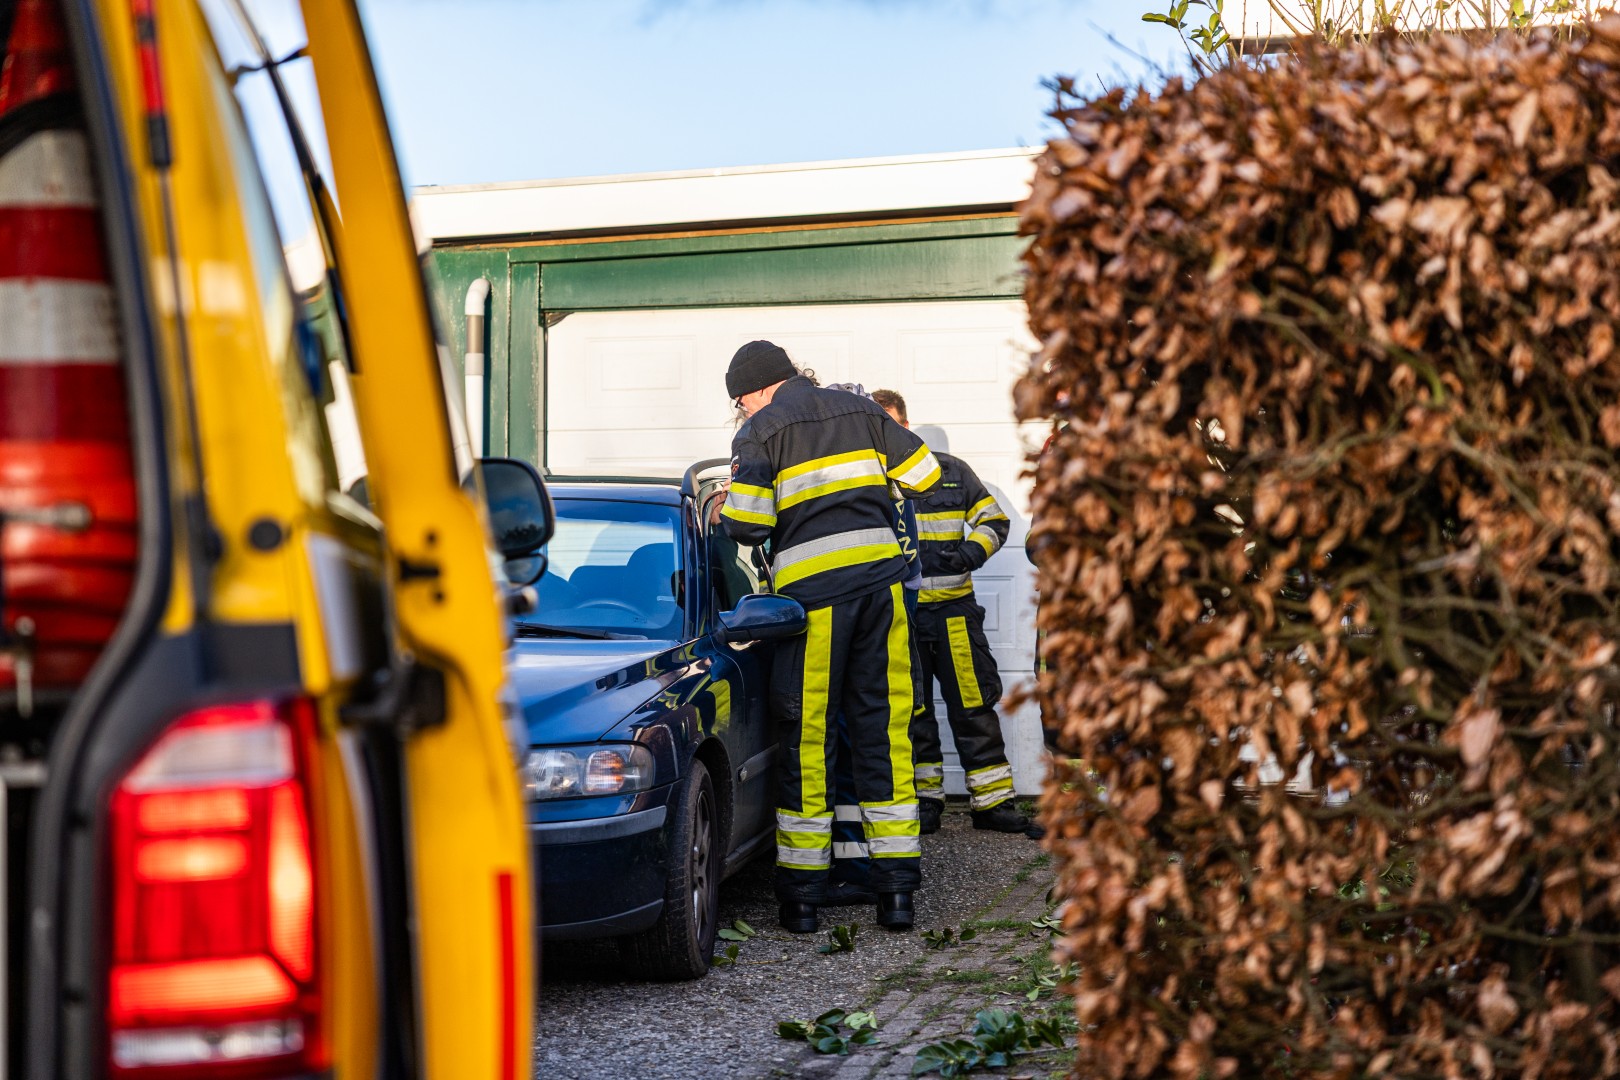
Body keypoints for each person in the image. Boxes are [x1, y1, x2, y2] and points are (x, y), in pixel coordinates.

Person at [720, 343, 940, 934]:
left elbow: (749, 525)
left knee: (810, 738)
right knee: (885, 731)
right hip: (884, 592)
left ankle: (802, 899)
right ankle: (897, 896)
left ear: (759, 390)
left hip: (815, 602)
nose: (742, 412)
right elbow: (926, 475)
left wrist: (726, 508)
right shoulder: (861, 410)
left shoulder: (759, 432)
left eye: (740, 402)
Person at [870, 389, 1041, 839]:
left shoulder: (951, 471)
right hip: (900, 618)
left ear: (904, 427)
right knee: (914, 711)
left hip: (954, 613)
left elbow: (995, 521)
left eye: (889, 426)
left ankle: (994, 803)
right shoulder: (864, 481)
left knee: (973, 704)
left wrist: (969, 554)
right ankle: (927, 802)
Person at [820, 382, 926, 907]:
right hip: (884, 613)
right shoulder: (879, 483)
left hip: (871, 615)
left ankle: (866, 866)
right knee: (876, 741)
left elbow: (907, 559)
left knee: (862, 740)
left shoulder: (880, 489)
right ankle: (879, 873)